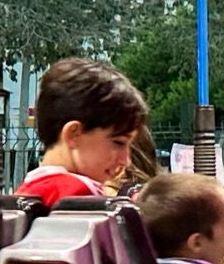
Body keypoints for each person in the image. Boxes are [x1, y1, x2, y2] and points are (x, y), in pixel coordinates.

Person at [15, 58, 149, 209]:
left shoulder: (26, 193)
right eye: (118, 142)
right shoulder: (82, 196)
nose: (126, 160)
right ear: (73, 134)